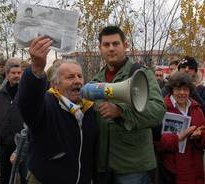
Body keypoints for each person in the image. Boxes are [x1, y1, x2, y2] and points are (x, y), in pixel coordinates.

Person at [17, 36, 98, 184]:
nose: (77, 81)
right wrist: (36, 68)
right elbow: (26, 103)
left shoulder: (90, 109)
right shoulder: (46, 105)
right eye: (70, 77)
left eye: (80, 76)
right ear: (55, 84)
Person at [92, 25, 166, 184]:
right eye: (106, 45)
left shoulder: (141, 74)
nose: (111, 49)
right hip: (103, 166)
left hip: (133, 167)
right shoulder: (96, 80)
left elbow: (158, 110)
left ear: (125, 46)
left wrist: (121, 111)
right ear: (100, 49)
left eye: (115, 44)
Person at [154, 72, 205, 184]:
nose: (182, 93)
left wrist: (200, 137)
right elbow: (156, 142)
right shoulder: (161, 109)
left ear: (190, 91)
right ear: (172, 90)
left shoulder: (197, 109)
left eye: (185, 89)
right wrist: (177, 138)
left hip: (194, 170)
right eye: (178, 89)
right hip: (171, 171)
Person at [0, 58, 26, 184]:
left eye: (19, 73)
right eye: (13, 73)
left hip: (22, 143)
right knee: (5, 176)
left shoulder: (27, 94)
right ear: (7, 74)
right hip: (3, 143)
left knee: (25, 177)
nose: (16, 76)